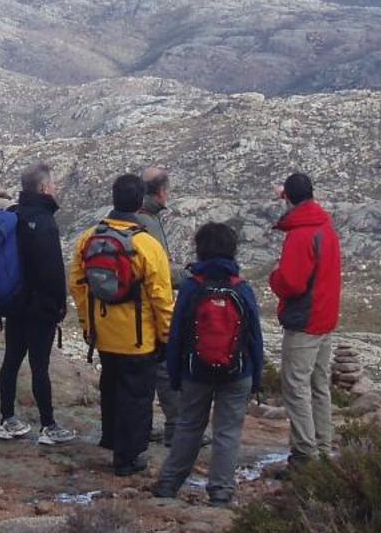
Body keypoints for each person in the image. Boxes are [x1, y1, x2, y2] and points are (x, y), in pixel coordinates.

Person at [69, 173, 176, 476]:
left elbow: (78, 283)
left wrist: (88, 324)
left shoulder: (88, 238)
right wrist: (167, 336)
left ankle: (111, 438)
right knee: (137, 396)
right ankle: (128, 458)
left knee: (111, 387)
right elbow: (161, 298)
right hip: (138, 337)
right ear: (140, 201)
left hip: (103, 333)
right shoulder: (147, 245)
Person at [155, 222, 265, 507]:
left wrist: (175, 375)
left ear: (200, 250)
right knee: (227, 431)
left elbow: (176, 333)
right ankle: (220, 492)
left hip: (195, 371)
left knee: (189, 426)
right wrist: (256, 378)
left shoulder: (192, 287)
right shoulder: (242, 289)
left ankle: (168, 484)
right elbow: (254, 336)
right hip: (237, 371)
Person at [0, 163, 76, 445]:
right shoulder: (44, 221)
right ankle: (48, 424)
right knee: (39, 365)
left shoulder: (13, 215)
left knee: (11, 360)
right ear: (44, 188)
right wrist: (58, 305)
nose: (55, 189)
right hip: (40, 306)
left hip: (13, 302)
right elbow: (51, 269)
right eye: (53, 184)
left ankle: (6, 418)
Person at [268, 171, 343, 466]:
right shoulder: (325, 225)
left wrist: (274, 278)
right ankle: (323, 447)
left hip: (305, 321)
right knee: (318, 385)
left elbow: (292, 283)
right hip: (325, 317)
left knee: (296, 387)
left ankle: (304, 454)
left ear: (287, 198)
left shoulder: (301, 234)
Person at [139, 166, 184, 456]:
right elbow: (161, 273)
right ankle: (176, 429)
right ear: (161, 192)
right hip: (152, 309)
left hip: (130, 312)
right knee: (164, 369)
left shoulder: (132, 217)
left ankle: (141, 427)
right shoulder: (150, 223)